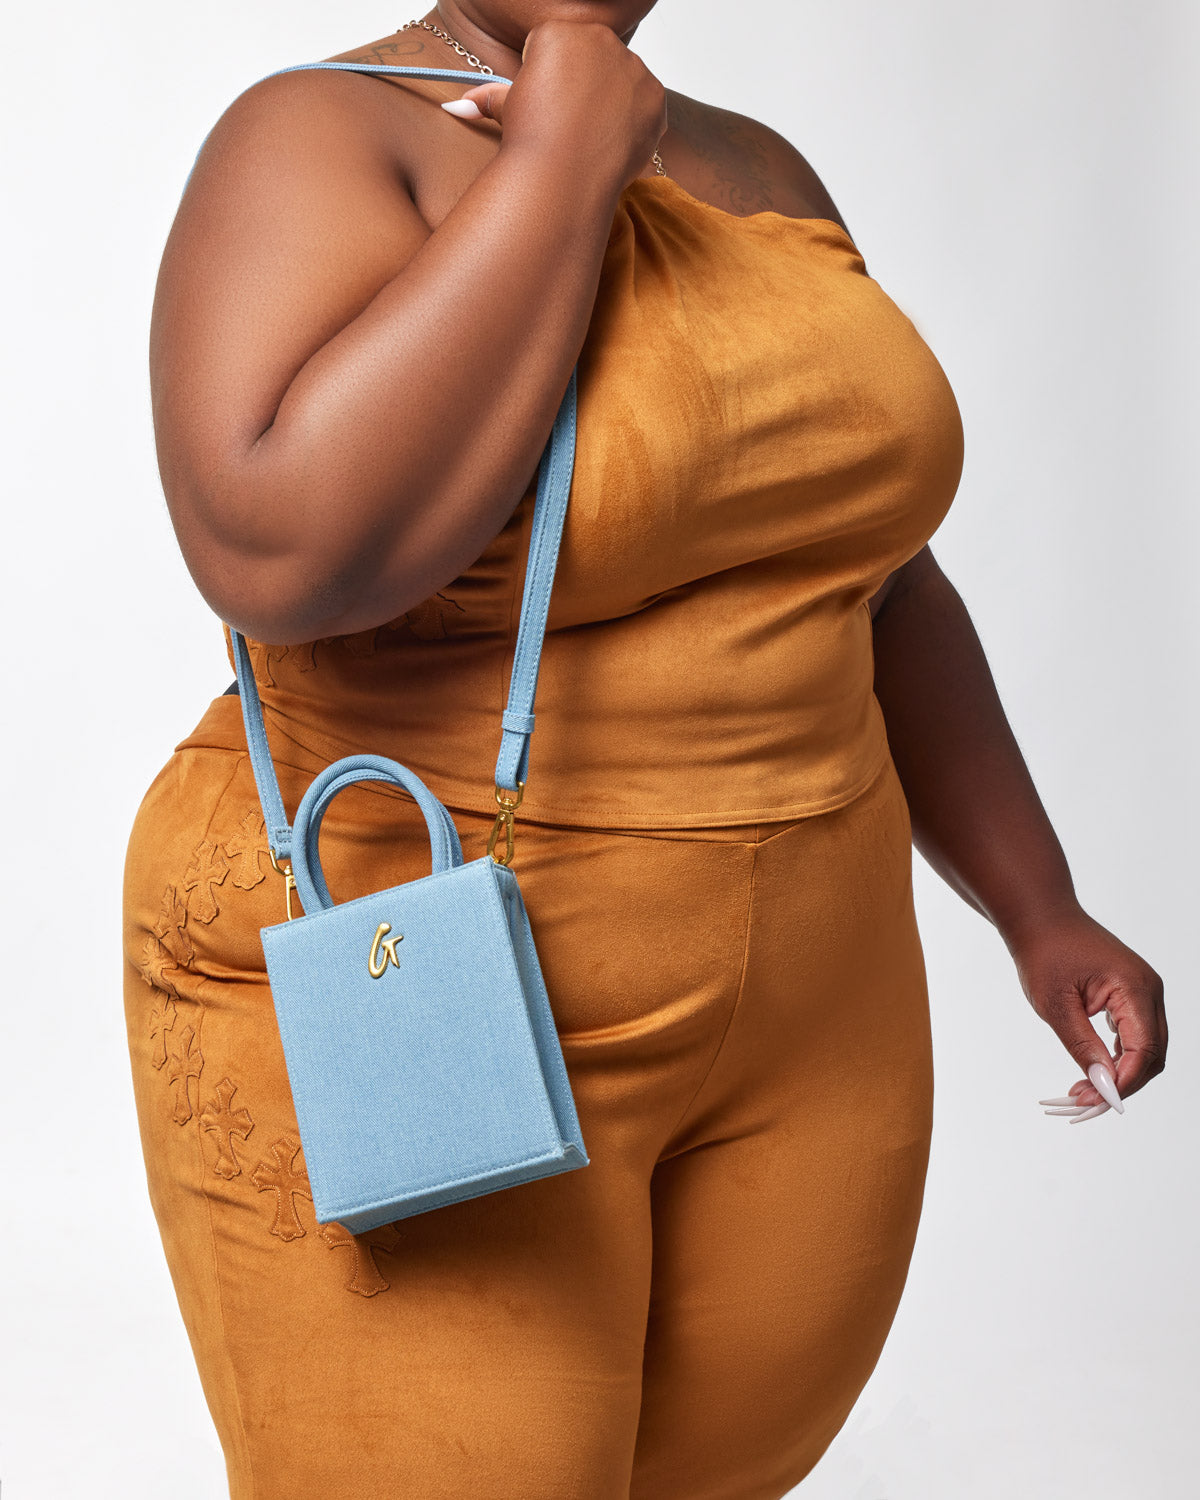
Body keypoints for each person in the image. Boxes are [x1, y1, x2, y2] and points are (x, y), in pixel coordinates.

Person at [122, 5, 1168, 1497]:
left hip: (818, 1011)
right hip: (432, 976)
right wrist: (562, 164)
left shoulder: (760, 170)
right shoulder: (316, 137)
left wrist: (1037, 905)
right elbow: (272, 548)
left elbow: (874, 573)